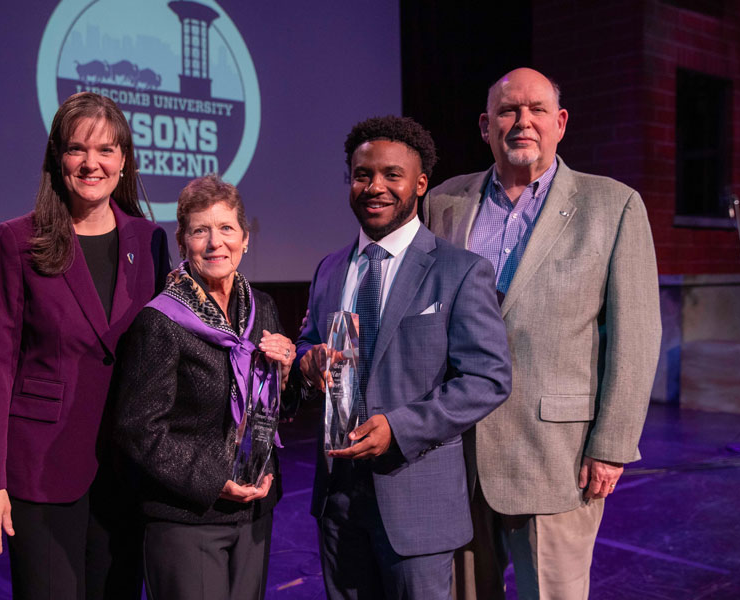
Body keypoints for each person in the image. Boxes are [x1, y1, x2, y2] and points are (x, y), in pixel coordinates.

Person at [421, 68, 662, 599]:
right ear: (486, 125)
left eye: (535, 110)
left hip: (558, 458)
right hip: (456, 454)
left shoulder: (613, 206)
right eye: (508, 111)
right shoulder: (444, 202)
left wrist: (614, 444)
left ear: (560, 122)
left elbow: (636, 334)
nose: (522, 121)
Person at [296, 116, 512, 599]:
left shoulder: (459, 271)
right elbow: (310, 340)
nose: (375, 186)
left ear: (420, 183)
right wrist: (308, 361)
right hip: (338, 498)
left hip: (417, 501)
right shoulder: (330, 269)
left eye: (392, 175)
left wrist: (400, 428)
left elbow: (488, 378)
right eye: (362, 174)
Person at [0, 92, 170, 599]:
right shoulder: (16, 240)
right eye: (77, 149)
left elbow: (175, 344)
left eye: (105, 150)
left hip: (127, 468)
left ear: (123, 161)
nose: (91, 162)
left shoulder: (151, 241)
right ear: (58, 159)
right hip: (40, 469)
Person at [112, 174, 297, 600]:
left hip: (254, 511)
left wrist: (289, 371)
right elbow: (137, 431)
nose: (216, 243)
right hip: (187, 518)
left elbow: (279, 408)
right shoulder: (159, 321)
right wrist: (214, 480)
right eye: (200, 230)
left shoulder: (262, 308)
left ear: (245, 239)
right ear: (182, 242)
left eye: (227, 228)